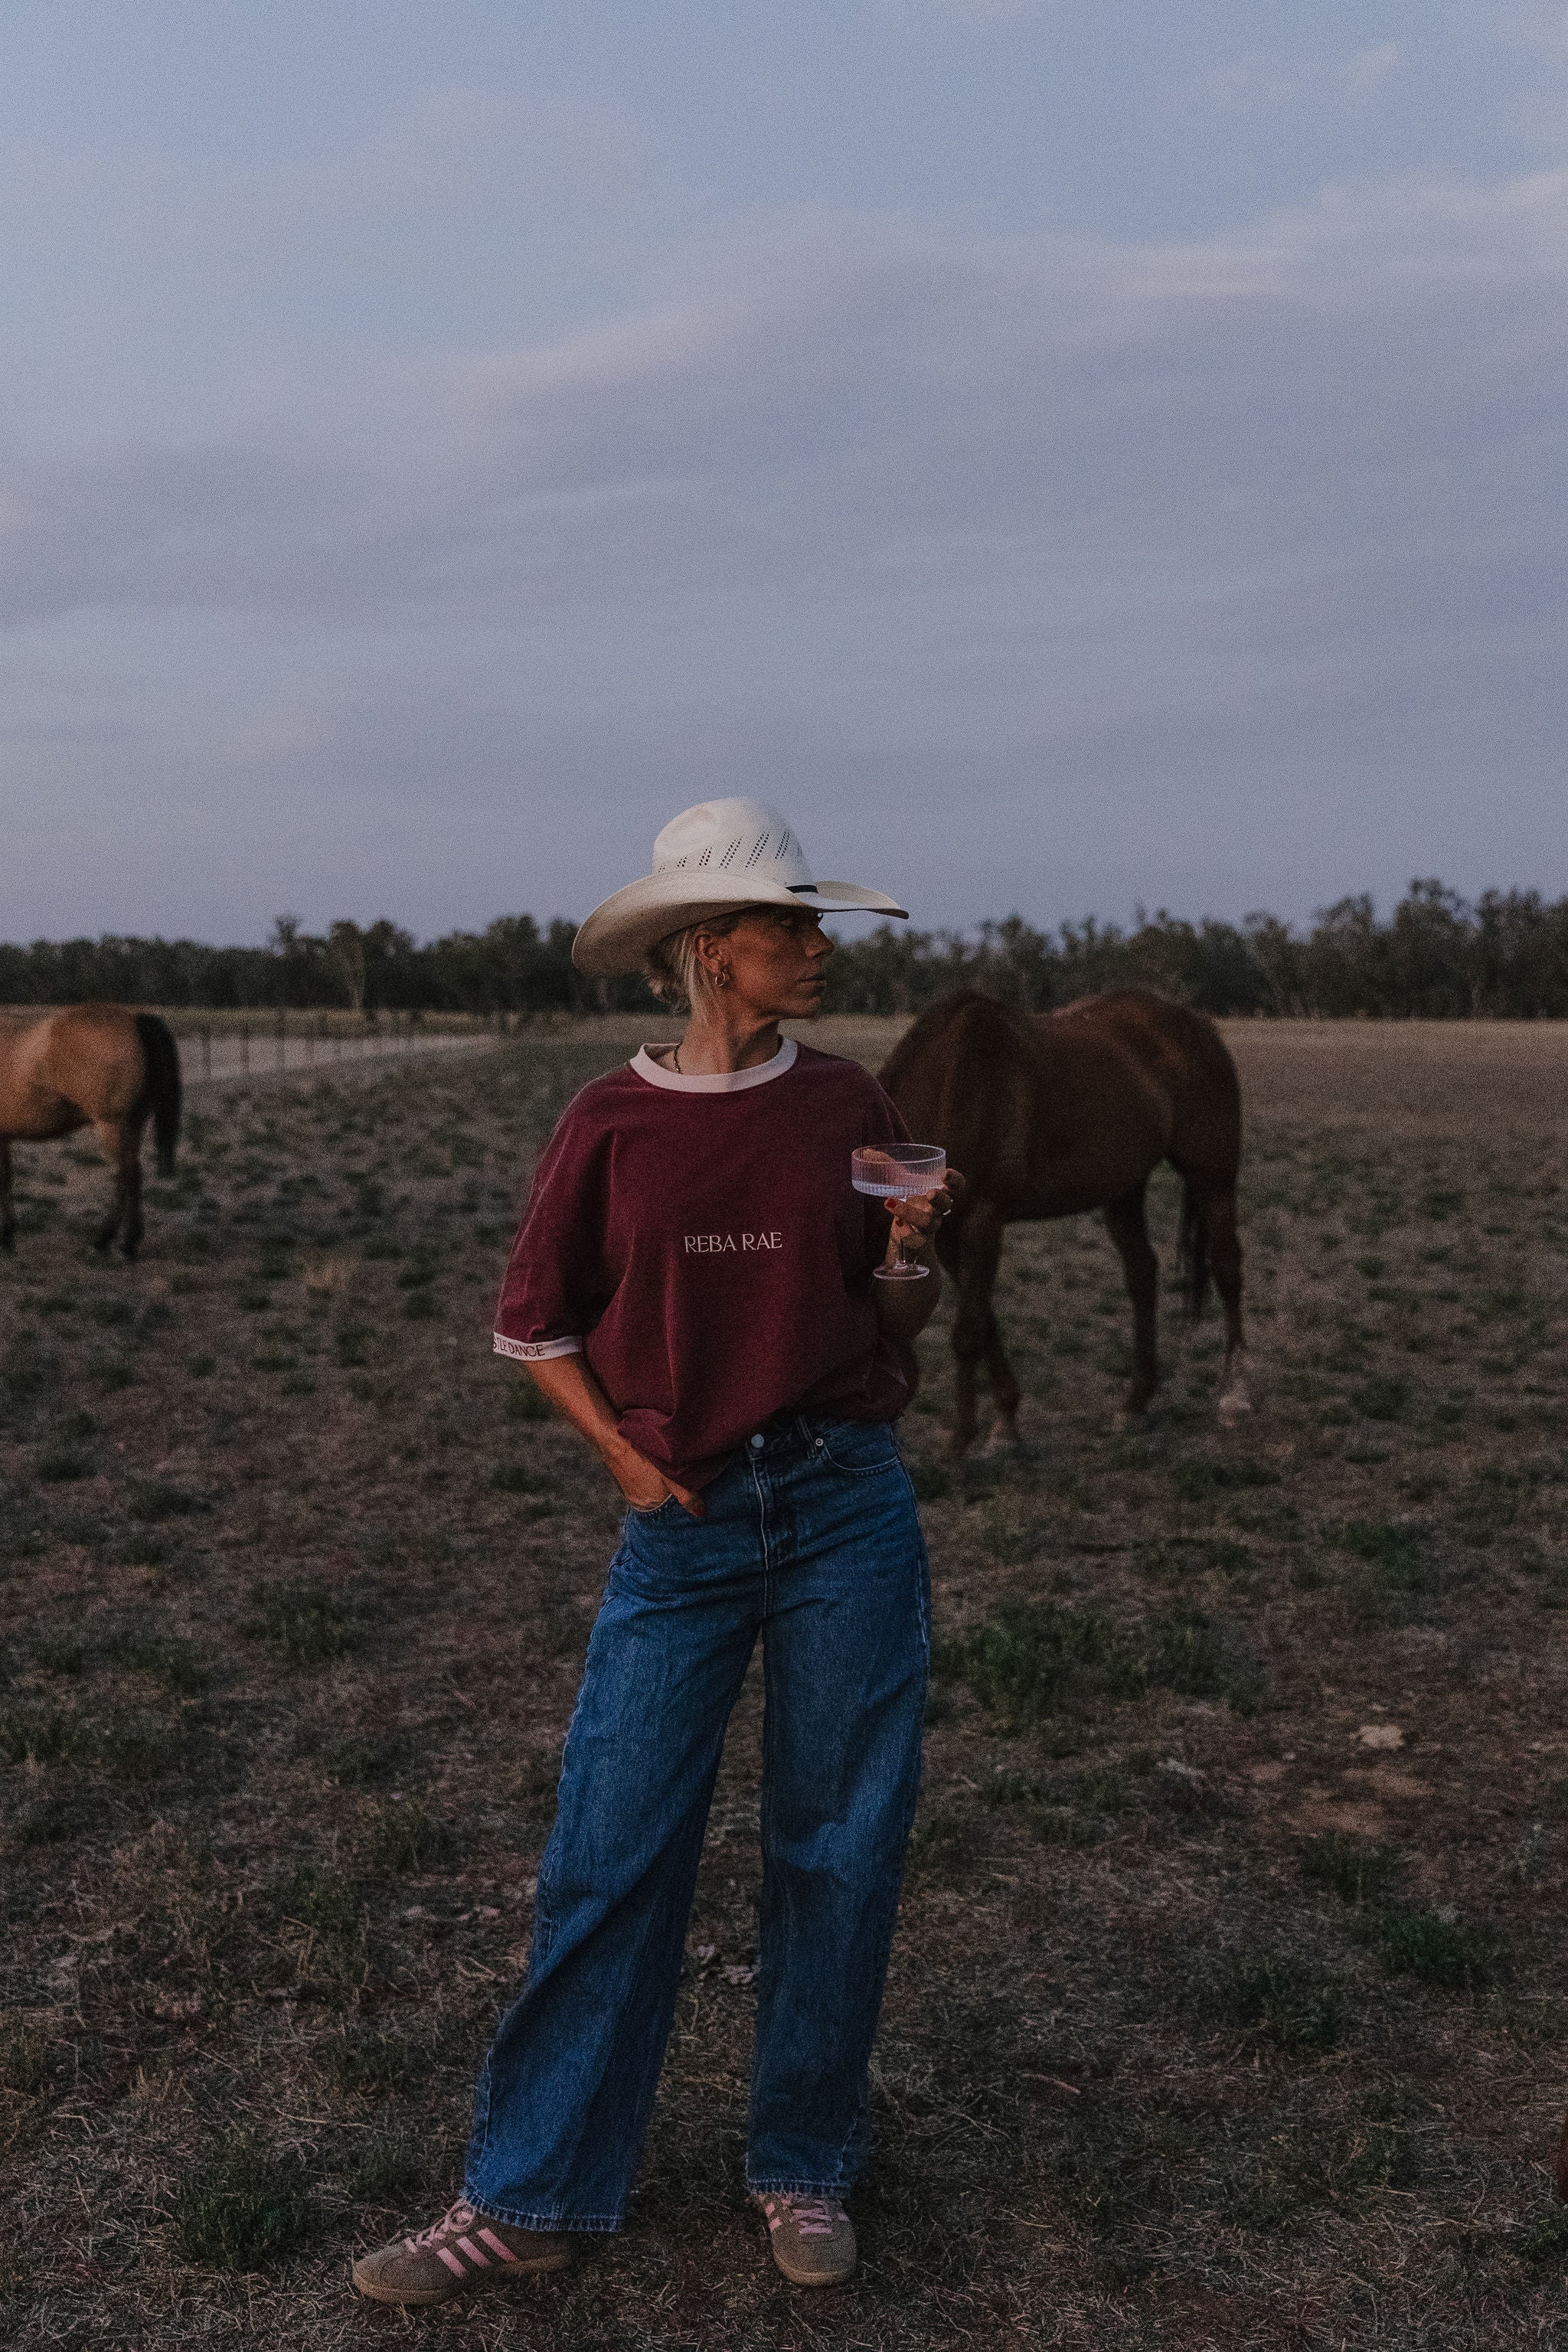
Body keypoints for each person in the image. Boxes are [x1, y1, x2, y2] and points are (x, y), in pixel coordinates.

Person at [352, 798, 959, 2308]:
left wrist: (908, 1252)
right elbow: (533, 1324)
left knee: (839, 1844)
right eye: (789, 927)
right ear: (710, 950)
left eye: (816, 925)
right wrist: (629, 1464)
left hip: (842, 1504)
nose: (817, 949)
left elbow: (899, 1329)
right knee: (612, 1854)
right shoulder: (605, 1124)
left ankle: (805, 2166)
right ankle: (531, 2194)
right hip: (680, 1525)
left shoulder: (848, 1106)